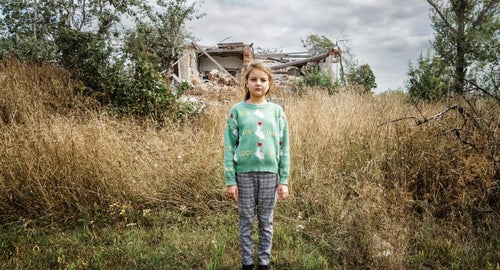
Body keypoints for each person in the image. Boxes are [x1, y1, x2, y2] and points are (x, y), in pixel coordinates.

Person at [224, 60, 290, 270]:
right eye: (254, 79)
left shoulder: (277, 111)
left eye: (263, 80)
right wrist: (230, 180)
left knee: (266, 222)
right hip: (243, 175)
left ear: (269, 84)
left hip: (270, 175)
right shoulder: (237, 111)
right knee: (245, 221)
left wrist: (284, 180)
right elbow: (229, 147)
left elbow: (284, 147)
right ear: (246, 83)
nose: (258, 83)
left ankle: (264, 263)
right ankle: (247, 264)